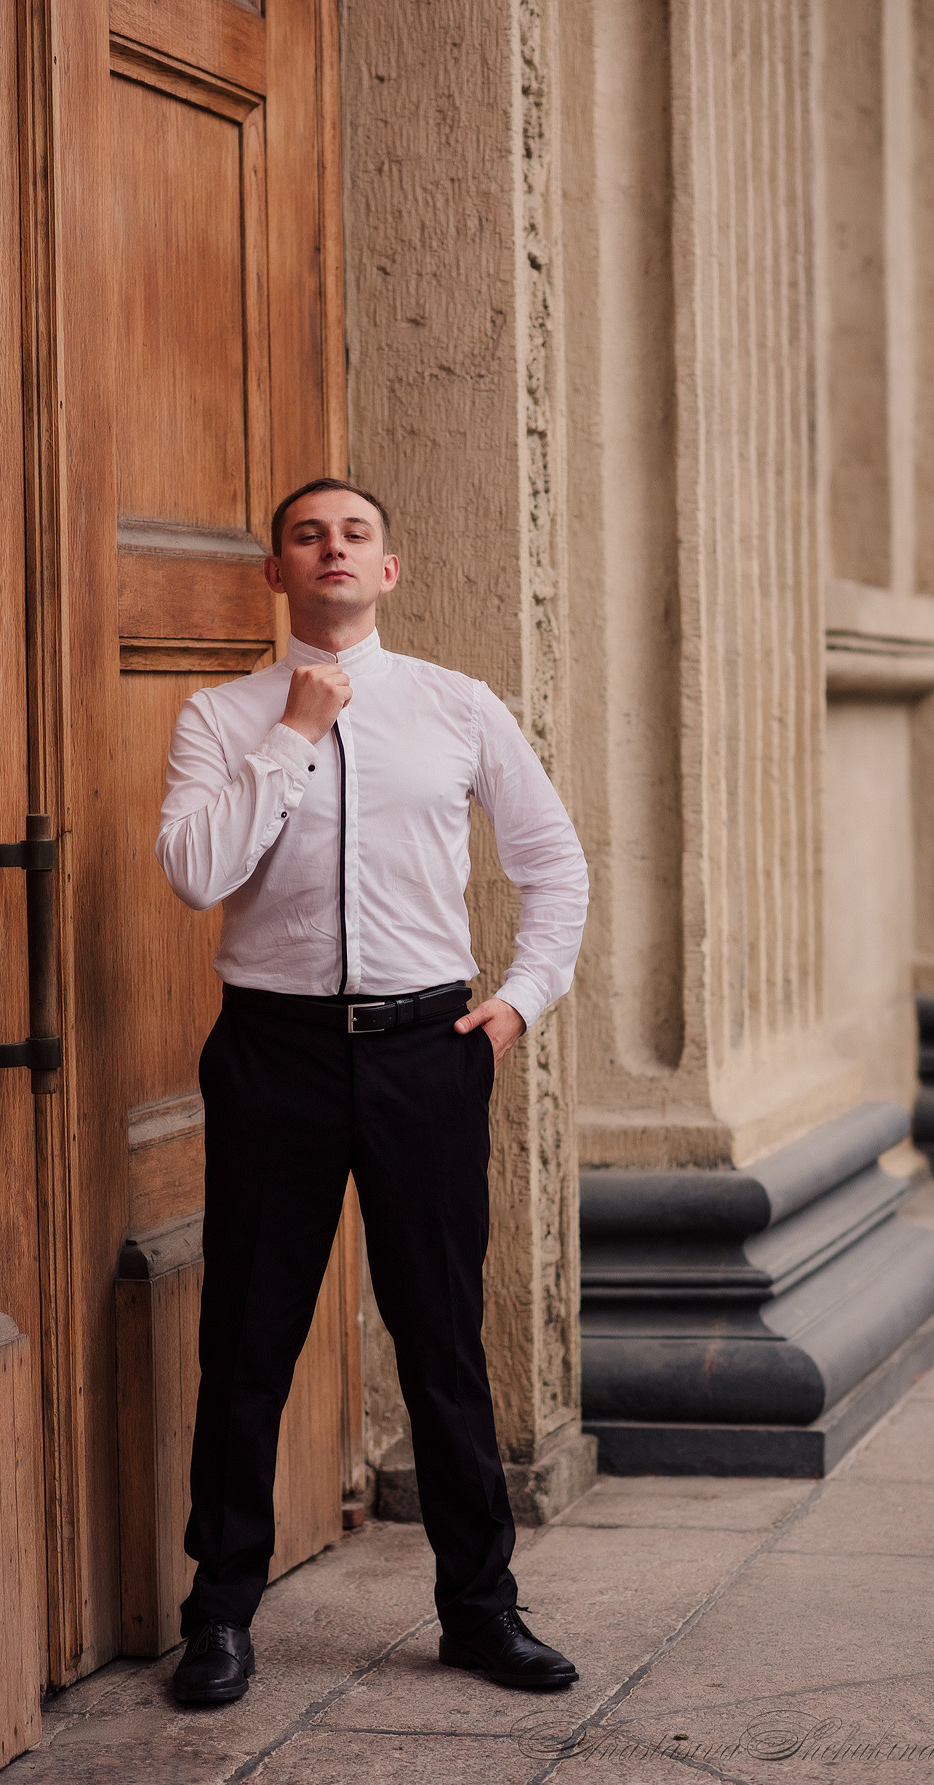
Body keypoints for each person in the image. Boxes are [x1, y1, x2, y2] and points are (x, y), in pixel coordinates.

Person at [155, 477, 589, 1707]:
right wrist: (292, 732)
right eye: (308, 536)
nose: (332, 550)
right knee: (246, 1340)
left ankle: (479, 1612)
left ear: (386, 570)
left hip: (423, 1051)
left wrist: (520, 999)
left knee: (443, 1338)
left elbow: (552, 862)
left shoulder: (458, 707)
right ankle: (220, 1617)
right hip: (271, 1057)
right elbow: (194, 874)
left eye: (354, 535)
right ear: (276, 573)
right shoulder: (220, 715)